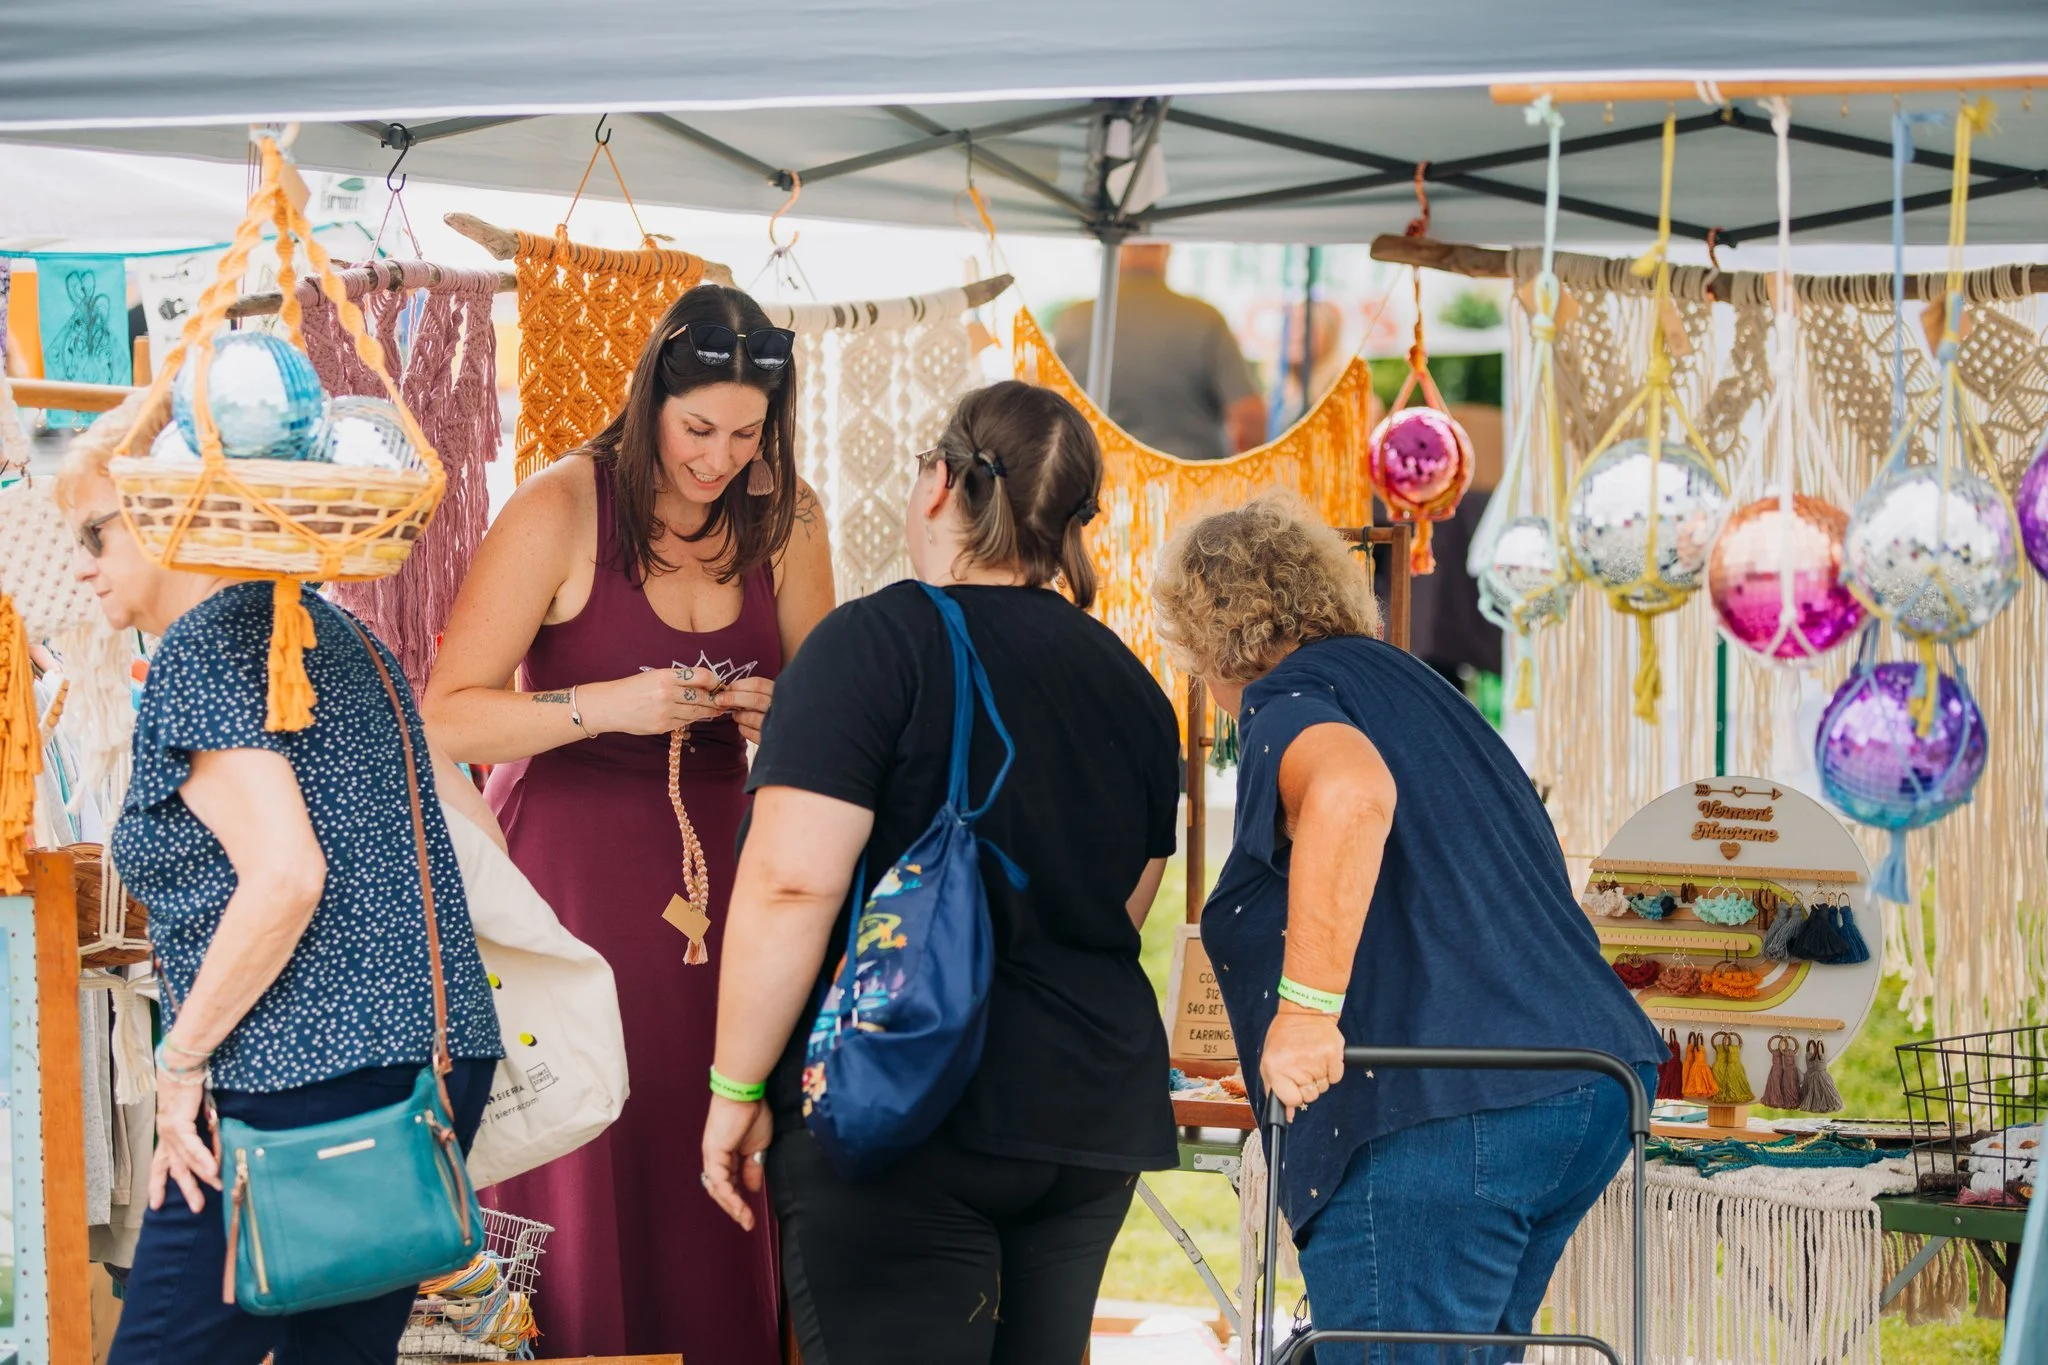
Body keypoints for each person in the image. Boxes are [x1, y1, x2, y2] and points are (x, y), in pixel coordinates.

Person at [699, 380, 1180, 1365]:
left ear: (939, 485)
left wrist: (733, 1088)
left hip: (907, 1102)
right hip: (1084, 1115)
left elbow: (793, 883)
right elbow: (1128, 897)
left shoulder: (872, 645)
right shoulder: (1128, 681)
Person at [1151, 495, 1664, 1365]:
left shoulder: (1290, 696)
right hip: (1588, 1080)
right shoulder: (1420, 691)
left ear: (1216, 637)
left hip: (1450, 1110)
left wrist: (1306, 1014)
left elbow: (1352, 796)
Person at [422, 282, 834, 1363]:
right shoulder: (560, 507)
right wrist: (604, 705)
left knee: (713, 1130)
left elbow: (835, 713)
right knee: (587, 1142)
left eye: (746, 436)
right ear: (652, 397)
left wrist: (782, 712)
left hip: (730, 891)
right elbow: (447, 712)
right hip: (571, 880)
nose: (718, 459)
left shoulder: (785, 516)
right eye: (699, 428)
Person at [57, 396, 504, 1365]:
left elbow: (285, 877)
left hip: (296, 1085)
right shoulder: (341, 637)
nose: (82, 564)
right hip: (425, 1068)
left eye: (97, 531)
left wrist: (179, 1064)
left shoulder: (204, 647)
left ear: (172, 511)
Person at [1053, 242, 1266, 460]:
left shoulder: (1074, 320)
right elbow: (1250, 415)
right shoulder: (1204, 318)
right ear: (1166, 249)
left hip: (1101, 478)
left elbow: (1048, 410)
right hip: (1189, 481)